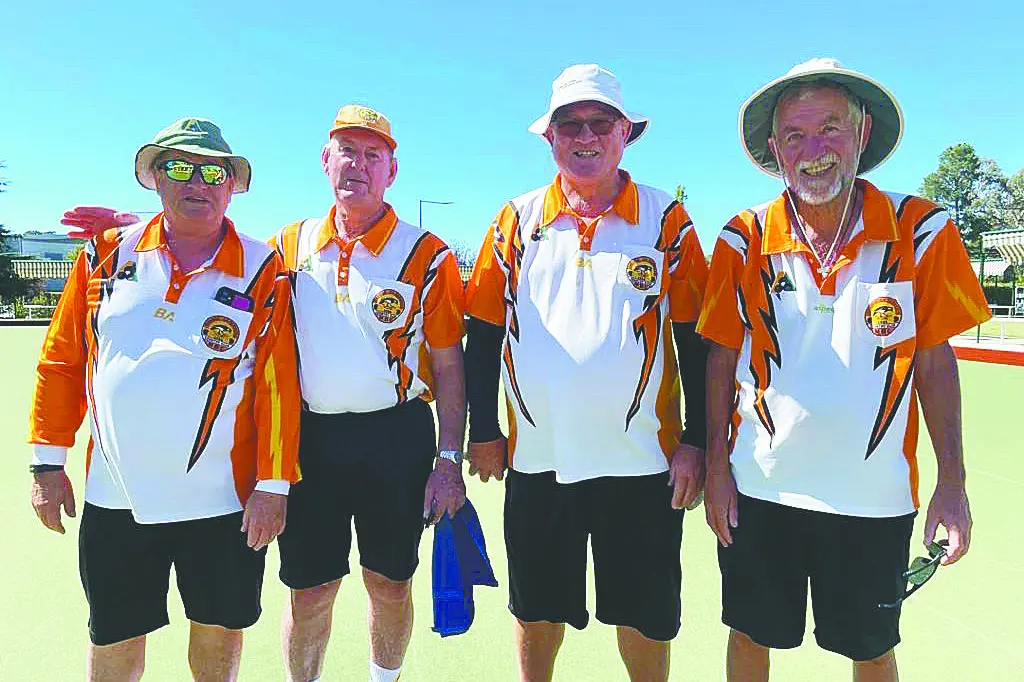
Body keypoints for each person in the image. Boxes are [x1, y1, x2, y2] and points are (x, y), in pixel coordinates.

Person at [61, 105, 468, 682]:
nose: (357, 164)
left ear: (391, 171)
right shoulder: (289, 245)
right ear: (326, 162)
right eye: (346, 151)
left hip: (395, 434)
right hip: (310, 438)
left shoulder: (430, 255)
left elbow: (450, 364)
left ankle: (385, 677)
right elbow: (212, 241)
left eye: (372, 155)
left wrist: (449, 458)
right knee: (309, 588)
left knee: (391, 582)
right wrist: (137, 225)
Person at [698, 58, 992, 682]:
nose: (815, 151)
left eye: (830, 129)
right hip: (760, 491)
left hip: (876, 499)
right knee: (750, 635)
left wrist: (952, 483)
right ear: (774, 148)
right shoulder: (741, 238)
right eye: (796, 136)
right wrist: (717, 471)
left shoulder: (924, 229)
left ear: (861, 135)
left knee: (872, 650)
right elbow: (719, 360)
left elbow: (937, 362)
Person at [29, 118, 300, 682]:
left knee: (219, 637)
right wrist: (46, 464)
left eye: (213, 171)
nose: (196, 183)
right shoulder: (106, 254)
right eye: (178, 167)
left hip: (223, 502)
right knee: (114, 637)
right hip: (116, 498)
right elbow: (62, 363)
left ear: (232, 185)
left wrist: (273, 488)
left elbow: (277, 386)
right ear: (154, 177)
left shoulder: (263, 267)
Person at [463, 64, 709, 682]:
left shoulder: (667, 220)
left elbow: (697, 339)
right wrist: (484, 428)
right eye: (570, 124)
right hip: (538, 459)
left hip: (643, 463)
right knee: (536, 608)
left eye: (601, 123)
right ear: (549, 137)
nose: (586, 136)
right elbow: (484, 332)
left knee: (645, 615)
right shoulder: (515, 220)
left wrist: (699, 442)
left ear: (626, 133)